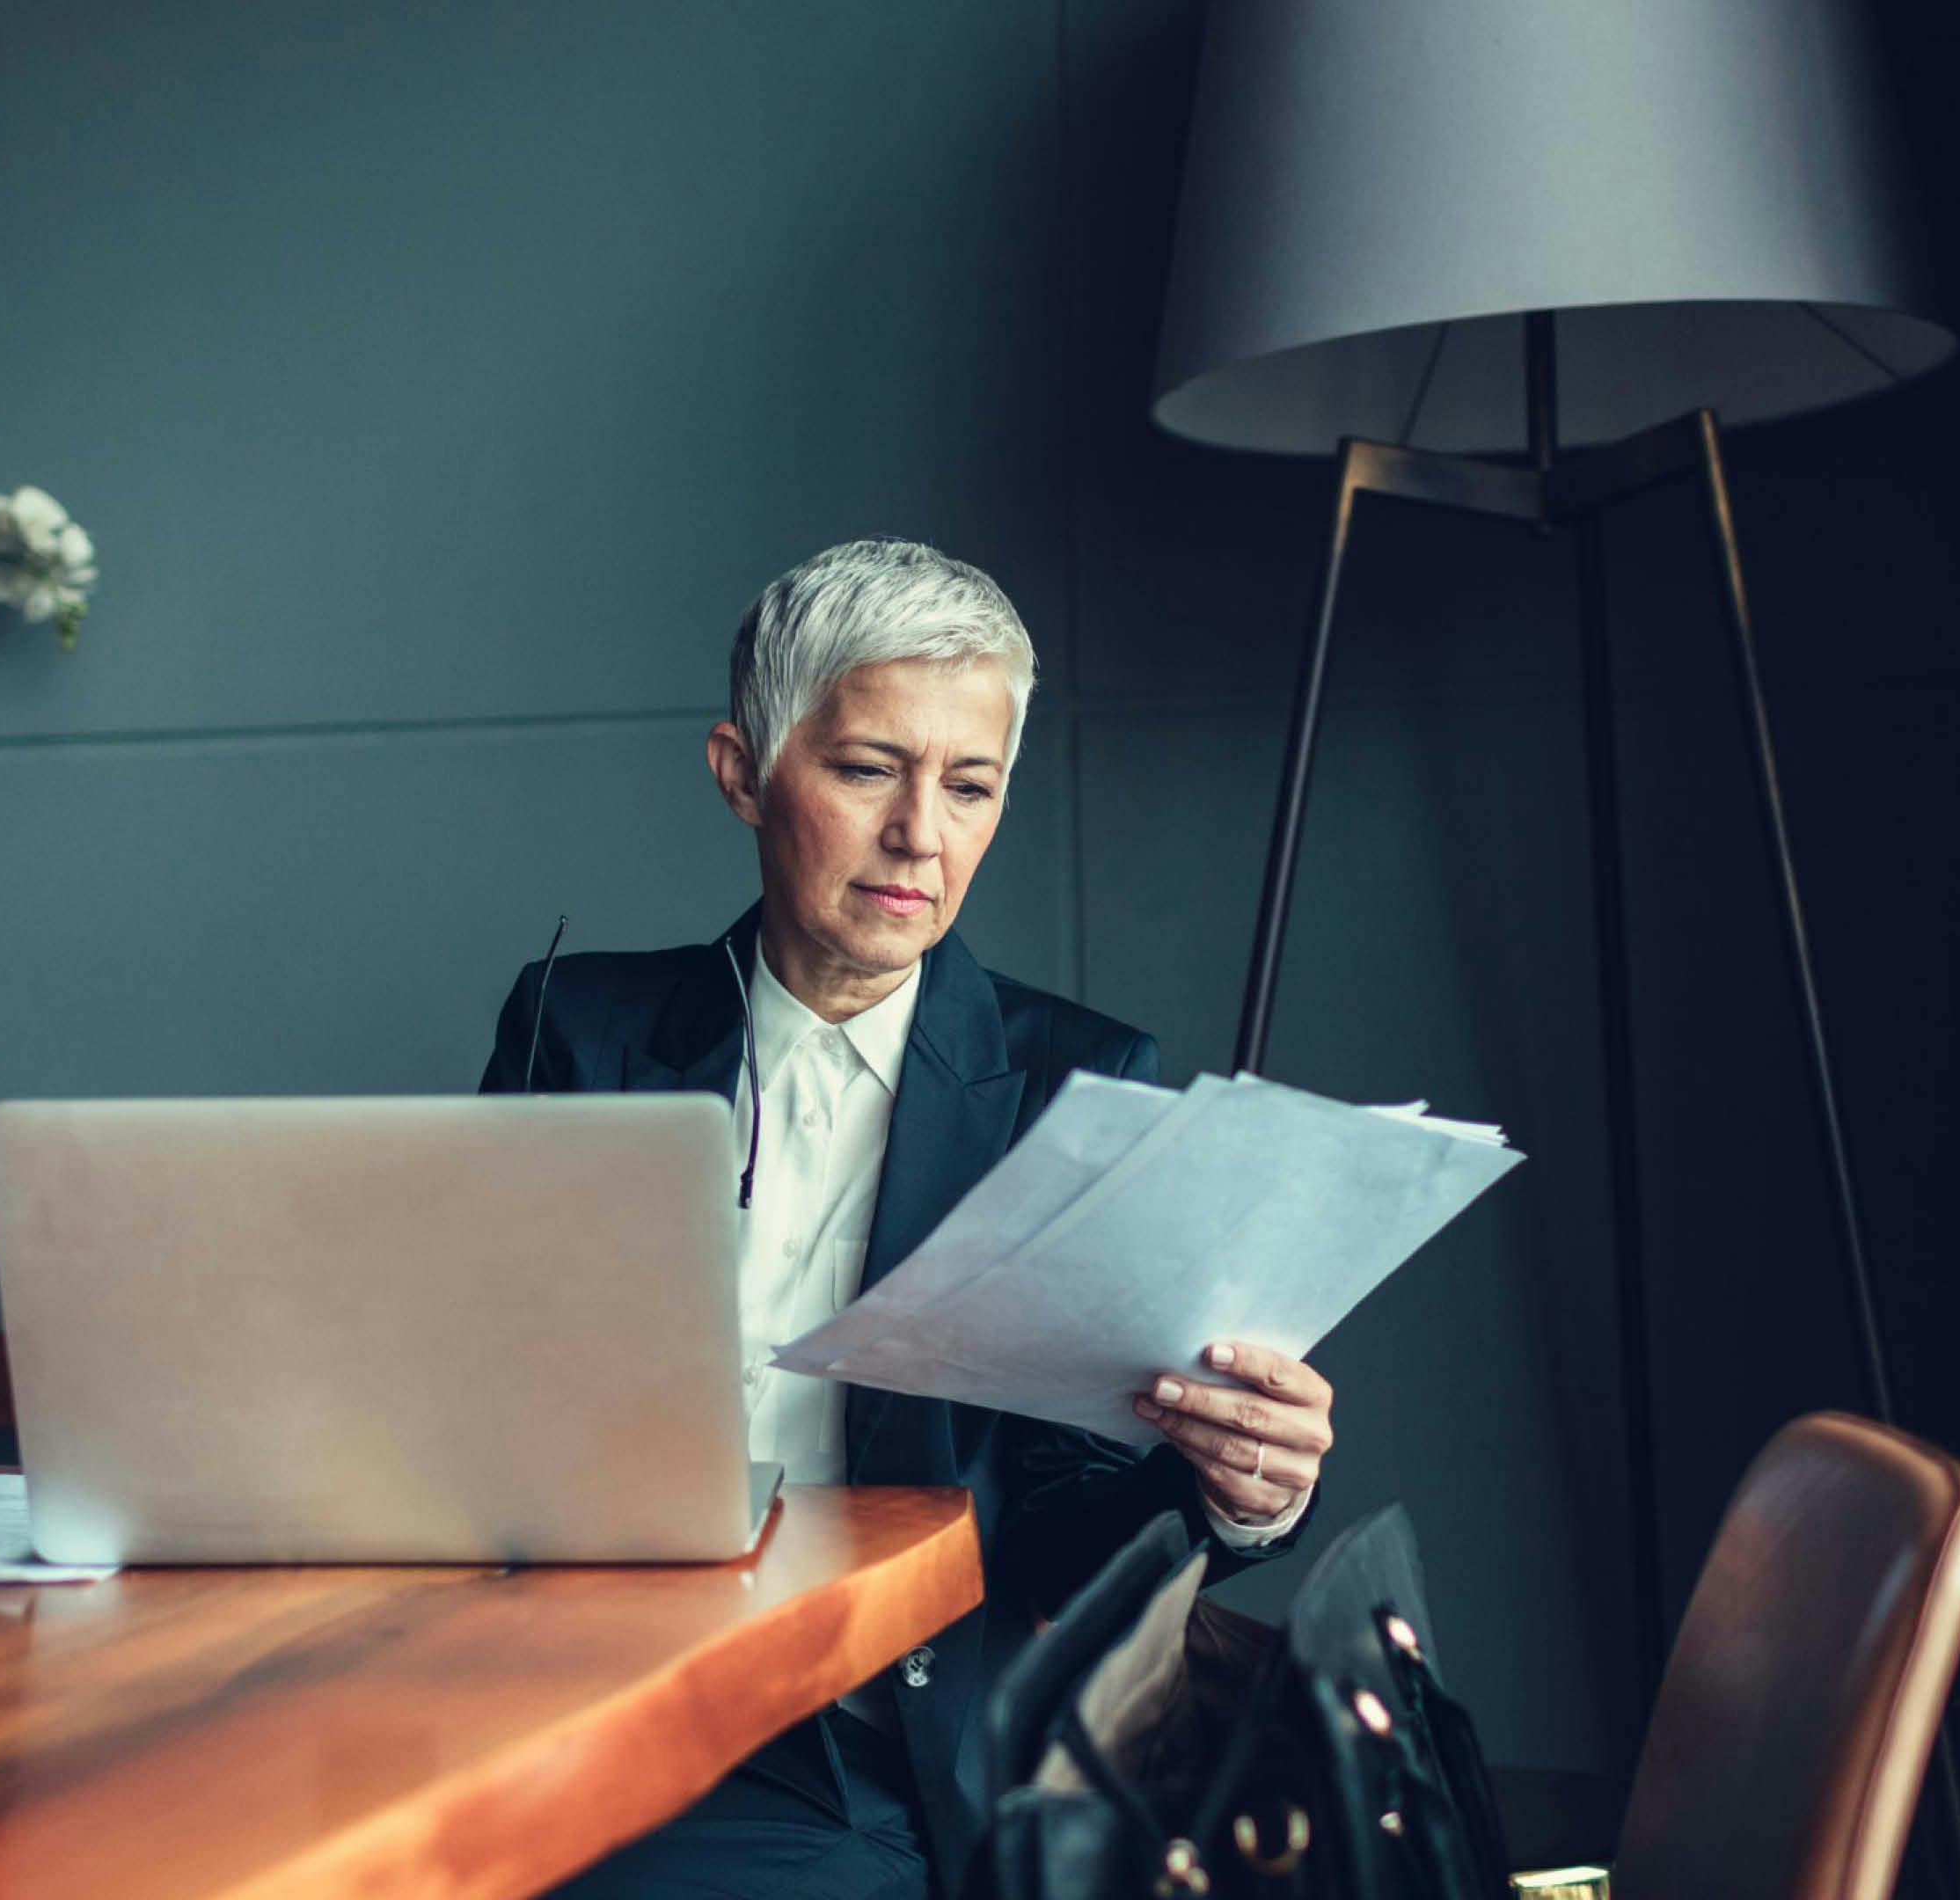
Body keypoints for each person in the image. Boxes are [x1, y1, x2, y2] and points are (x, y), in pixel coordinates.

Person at [480, 538, 1338, 1898]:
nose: (920, 836)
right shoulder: (574, 1029)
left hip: (865, 1737)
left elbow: (1063, 1520)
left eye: (970, 784)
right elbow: (479, 1402)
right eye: (870, 767)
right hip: (581, 1681)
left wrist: (1239, 1494)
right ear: (743, 772)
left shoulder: (1080, 1086)